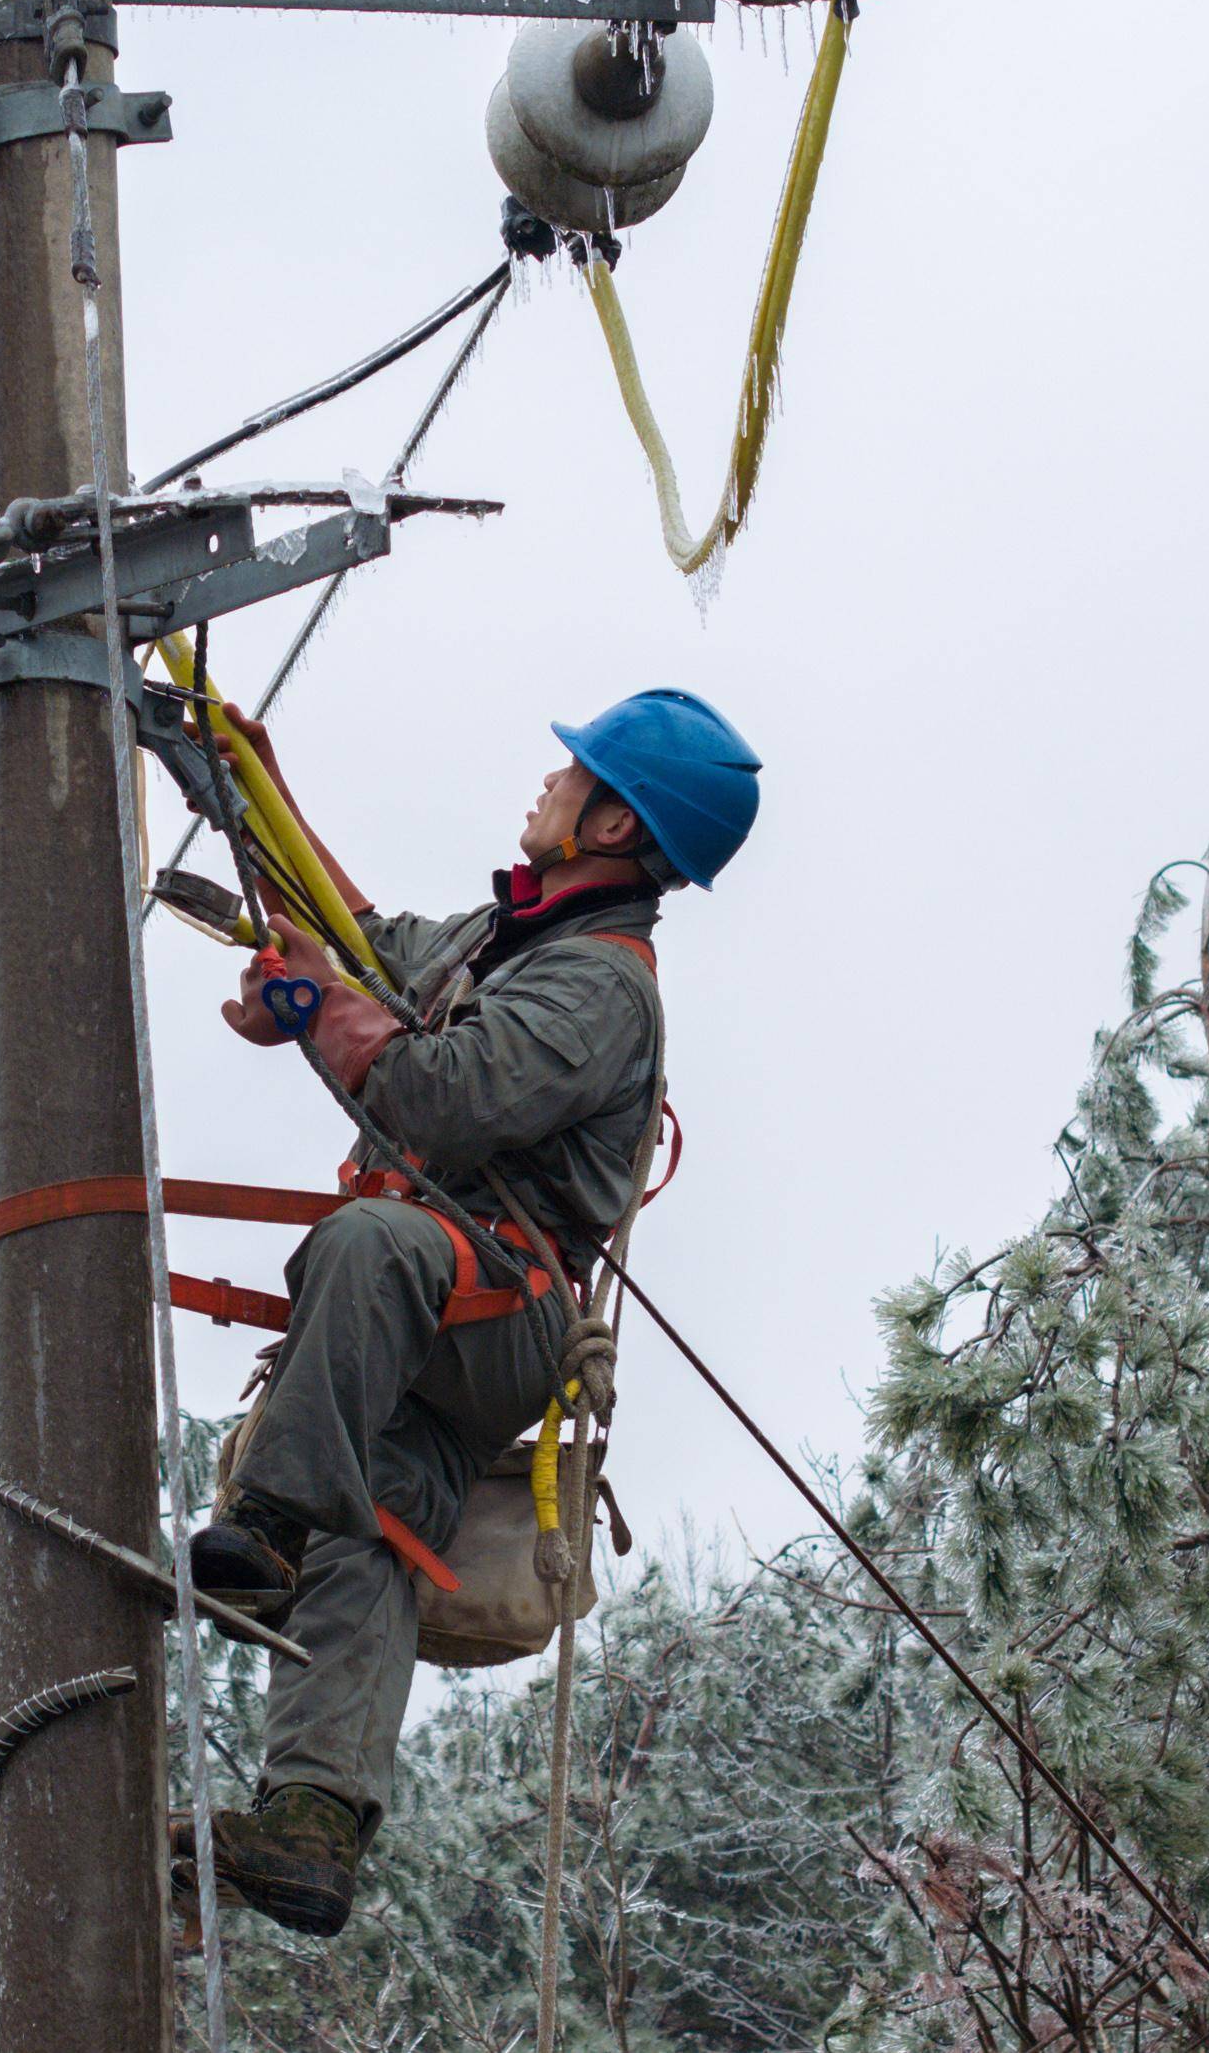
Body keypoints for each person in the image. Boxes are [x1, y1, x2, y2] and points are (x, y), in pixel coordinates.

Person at [174, 687, 762, 1937]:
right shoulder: (505, 940)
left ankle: (267, 1522)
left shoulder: (599, 988)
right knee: (374, 1522)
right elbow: (357, 938)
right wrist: (235, 783)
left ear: (611, 821)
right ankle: (311, 1823)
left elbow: (436, 1099)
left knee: (371, 1240)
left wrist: (323, 1015)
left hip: (495, 1301)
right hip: (429, 1322)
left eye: (571, 776)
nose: (543, 785)